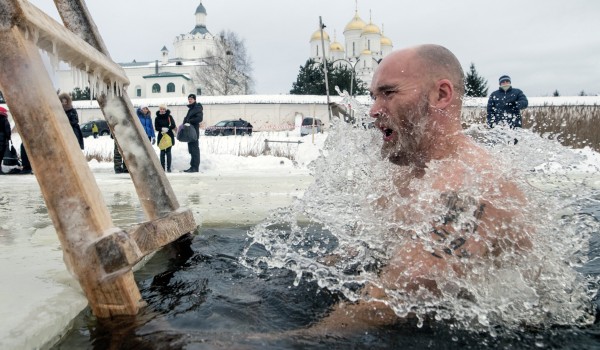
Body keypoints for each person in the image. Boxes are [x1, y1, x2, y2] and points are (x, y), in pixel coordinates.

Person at [314, 44, 533, 331]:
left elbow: (394, 297)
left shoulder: (476, 183)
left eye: (388, 93)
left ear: (441, 95)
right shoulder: (405, 176)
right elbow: (374, 251)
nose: (373, 111)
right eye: (373, 97)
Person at [182, 94, 203, 173]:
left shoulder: (197, 108)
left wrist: (189, 121)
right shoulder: (191, 108)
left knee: (194, 150)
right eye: (189, 99)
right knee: (191, 149)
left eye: (191, 99)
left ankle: (195, 167)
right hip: (189, 131)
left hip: (194, 132)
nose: (190, 100)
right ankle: (192, 166)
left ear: (194, 99)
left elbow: (199, 118)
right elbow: (187, 118)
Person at [154, 104, 177, 172]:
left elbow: (173, 125)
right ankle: (162, 168)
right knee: (162, 152)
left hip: (169, 135)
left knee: (168, 152)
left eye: (163, 109)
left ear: (165, 110)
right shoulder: (157, 118)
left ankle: (169, 168)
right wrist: (161, 129)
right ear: (159, 109)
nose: (162, 110)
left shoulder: (169, 117)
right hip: (161, 136)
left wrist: (168, 128)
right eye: (161, 109)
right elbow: (156, 127)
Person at [0, 106, 11, 174]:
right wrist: (8, 137)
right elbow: (7, 130)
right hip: (1, 138)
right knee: (0, 154)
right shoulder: (4, 119)